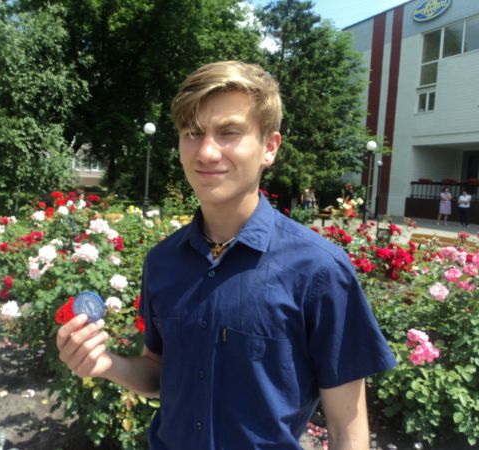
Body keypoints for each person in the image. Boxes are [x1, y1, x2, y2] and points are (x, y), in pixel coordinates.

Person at [56, 61, 396, 449]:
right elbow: (158, 372)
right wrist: (107, 365)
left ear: (270, 147)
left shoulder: (318, 269)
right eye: (192, 133)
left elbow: (346, 426)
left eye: (229, 132)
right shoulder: (162, 262)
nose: (206, 152)